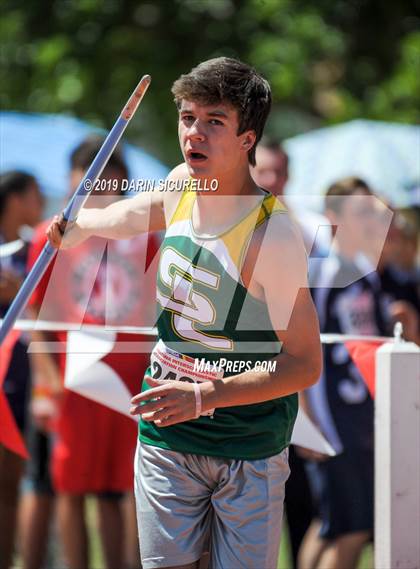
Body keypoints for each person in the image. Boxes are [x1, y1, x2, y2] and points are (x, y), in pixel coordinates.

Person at [47, 57, 322, 569]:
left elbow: (305, 363)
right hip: (166, 433)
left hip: (248, 446)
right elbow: (138, 211)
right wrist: (85, 226)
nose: (193, 133)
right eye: (187, 116)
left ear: (247, 137)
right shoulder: (181, 183)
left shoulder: (271, 235)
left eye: (214, 121)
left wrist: (206, 395)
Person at [28, 136, 158, 569]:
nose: (96, 185)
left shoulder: (143, 237)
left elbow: (161, 309)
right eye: (86, 177)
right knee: (70, 486)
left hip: (130, 380)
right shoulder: (55, 234)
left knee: (123, 488)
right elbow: (36, 314)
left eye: (105, 176)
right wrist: (47, 382)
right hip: (76, 381)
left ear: (122, 181)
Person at [299, 177, 392, 569]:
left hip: (362, 418)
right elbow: (299, 350)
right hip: (333, 417)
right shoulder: (320, 274)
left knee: (333, 523)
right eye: (360, 212)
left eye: (372, 210)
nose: (370, 220)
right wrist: (307, 422)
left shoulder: (367, 273)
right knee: (351, 527)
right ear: (332, 218)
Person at [251, 139, 323, 568]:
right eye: (265, 171)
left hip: (296, 385)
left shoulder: (308, 231)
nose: (273, 180)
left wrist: (309, 409)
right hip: (241, 388)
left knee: (301, 509)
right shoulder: (225, 224)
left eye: (280, 172)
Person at [0, 171, 44, 569]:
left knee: (11, 484)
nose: (43, 200)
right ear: (15, 198)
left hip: (20, 384)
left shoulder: (36, 250)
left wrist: (21, 296)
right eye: (35, 194)